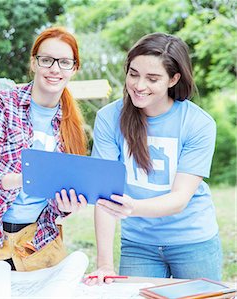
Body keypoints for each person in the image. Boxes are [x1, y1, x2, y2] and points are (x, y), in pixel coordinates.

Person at [0, 27, 88, 272]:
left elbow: (60, 195)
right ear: (34, 63)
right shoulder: (3, 103)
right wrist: (24, 179)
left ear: (74, 68)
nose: (55, 69)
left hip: (37, 241)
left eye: (65, 62)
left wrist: (67, 206)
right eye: (46, 60)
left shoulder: (71, 123)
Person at [86, 32, 221, 284]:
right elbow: (103, 196)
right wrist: (104, 264)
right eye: (133, 74)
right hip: (139, 244)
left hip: (193, 241)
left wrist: (132, 208)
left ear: (173, 79)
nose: (139, 85)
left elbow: (180, 199)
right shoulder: (108, 118)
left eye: (153, 78)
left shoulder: (198, 123)